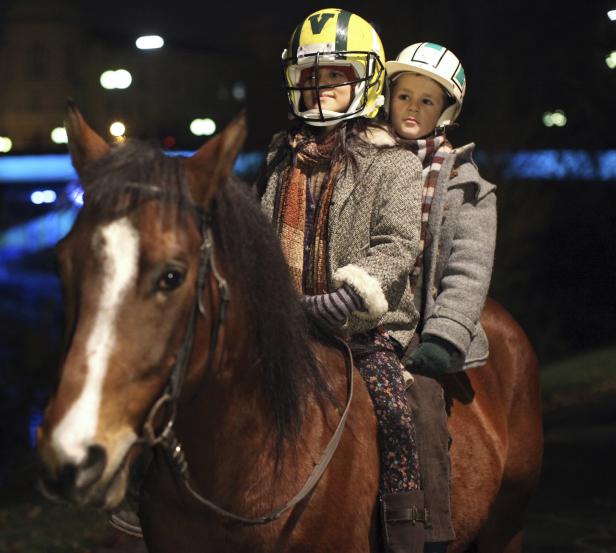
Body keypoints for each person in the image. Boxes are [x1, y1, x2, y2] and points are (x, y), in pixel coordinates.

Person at [259, 9, 428, 553]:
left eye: (336, 76)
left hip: (361, 326)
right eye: (312, 77)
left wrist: (352, 294)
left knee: (395, 409)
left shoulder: (393, 162)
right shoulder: (278, 157)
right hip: (286, 322)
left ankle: (406, 522)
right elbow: (261, 238)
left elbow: (398, 243)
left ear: (367, 80)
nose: (322, 89)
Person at [384, 42, 497, 553]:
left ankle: (427, 528)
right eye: (404, 95)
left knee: (423, 404)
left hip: (420, 328)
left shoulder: (465, 187)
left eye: (427, 101)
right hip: (364, 315)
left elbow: (468, 267)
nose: (412, 108)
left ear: (445, 111)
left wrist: (446, 333)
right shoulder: (370, 164)